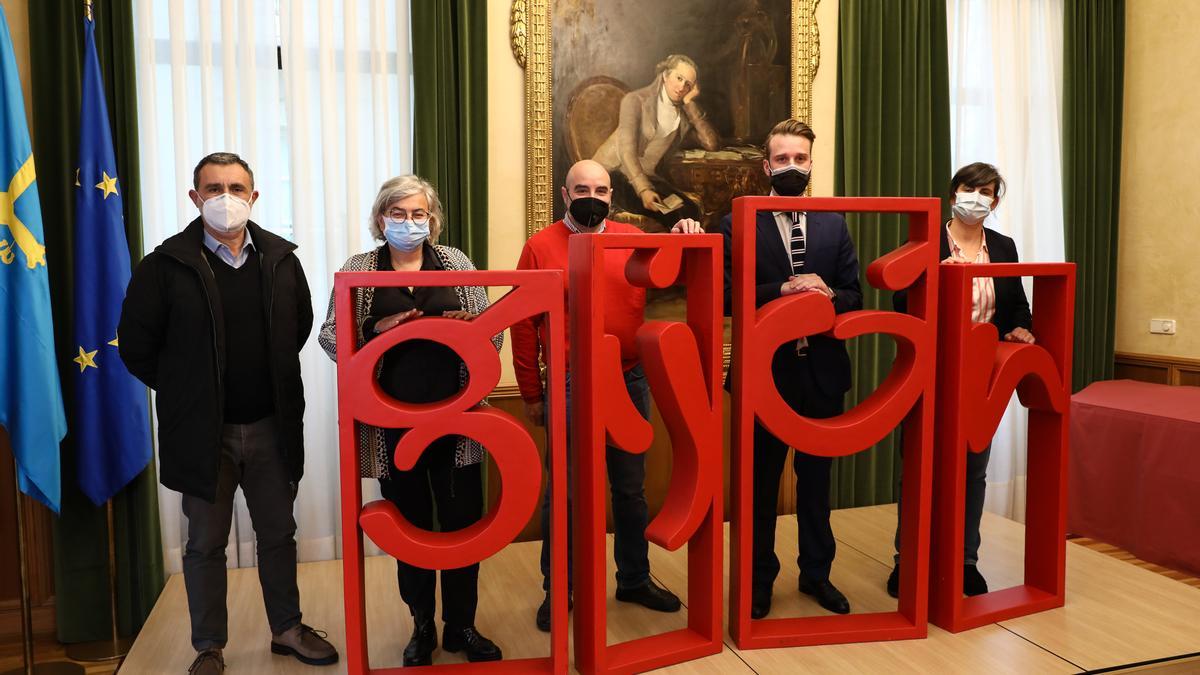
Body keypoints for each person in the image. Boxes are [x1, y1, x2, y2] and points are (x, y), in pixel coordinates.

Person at [118, 153, 337, 675]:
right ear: (195, 198)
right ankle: (208, 647)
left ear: (254, 196)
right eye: (213, 188)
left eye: (237, 187)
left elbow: (299, 326)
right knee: (205, 544)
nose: (226, 197)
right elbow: (135, 346)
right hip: (201, 435)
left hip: (270, 427)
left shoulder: (282, 260)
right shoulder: (164, 265)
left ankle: (286, 628)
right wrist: (186, 394)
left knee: (279, 534)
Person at [317, 175, 503, 666]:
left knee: (464, 527)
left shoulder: (456, 263)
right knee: (411, 528)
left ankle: (462, 624)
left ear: (432, 219)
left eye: (418, 214)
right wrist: (373, 328)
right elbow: (330, 337)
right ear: (381, 219)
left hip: (459, 422)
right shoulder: (359, 268)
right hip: (392, 427)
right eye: (397, 214)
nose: (408, 223)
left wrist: (470, 334)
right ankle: (422, 625)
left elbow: (493, 337)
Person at [511, 159, 703, 632]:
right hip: (571, 382)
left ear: (613, 195)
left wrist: (683, 232)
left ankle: (634, 578)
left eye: (601, 189)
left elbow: (677, 275)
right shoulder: (539, 247)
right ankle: (560, 590)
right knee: (567, 491)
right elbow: (523, 324)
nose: (592, 197)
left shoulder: (630, 238)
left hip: (629, 379)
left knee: (630, 489)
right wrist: (533, 393)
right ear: (564, 194)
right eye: (582, 189)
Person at [720, 119, 863, 619]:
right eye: (782, 160)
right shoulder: (737, 221)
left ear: (810, 163)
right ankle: (759, 583)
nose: (792, 168)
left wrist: (824, 291)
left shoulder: (833, 222)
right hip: (766, 375)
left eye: (800, 160)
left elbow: (855, 295)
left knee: (816, 485)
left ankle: (817, 576)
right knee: (758, 488)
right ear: (766, 166)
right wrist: (781, 290)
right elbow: (723, 294)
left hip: (822, 375)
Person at [886, 162, 1034, 599]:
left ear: (995, 201)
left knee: (973, 469)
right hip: (929, 368)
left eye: (986, 192)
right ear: (954, 194)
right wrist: (935, 278)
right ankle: (906, 561)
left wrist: (1021, 328)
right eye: (969, 189)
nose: (976, 197)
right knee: (919, 466)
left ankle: (965, 561)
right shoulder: (926, 240)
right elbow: (900, 301)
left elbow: (1015, 304)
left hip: (982, 371)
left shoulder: (1004, 247)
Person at [593, 53, 721, 231]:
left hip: (647, 176)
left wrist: (690, 103)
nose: (682, 86)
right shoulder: (635, 101)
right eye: (679, 78)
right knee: (672, 216)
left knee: (690, 211)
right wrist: (644, 190)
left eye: (688, 84)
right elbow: (626, 152)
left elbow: (711, 144)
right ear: (665, 75)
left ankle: (684, 258)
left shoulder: (681, 116)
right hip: (615, 175)